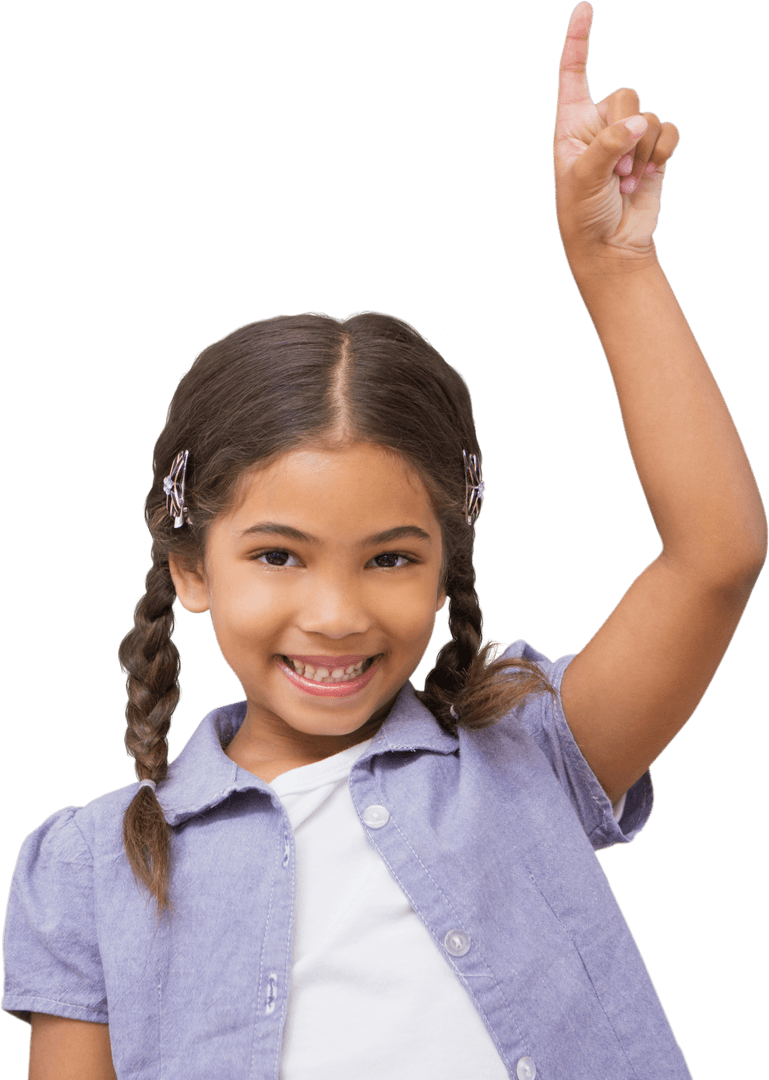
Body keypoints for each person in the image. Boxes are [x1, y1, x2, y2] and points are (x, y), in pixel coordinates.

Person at [2, 3, 766, 1077]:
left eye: (391, 557)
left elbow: (716, 556)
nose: (338, 611)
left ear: (447, 562)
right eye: (278, 555)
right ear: (188, 567)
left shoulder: (525, 747)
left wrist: (616, 267)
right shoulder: (88, 868)